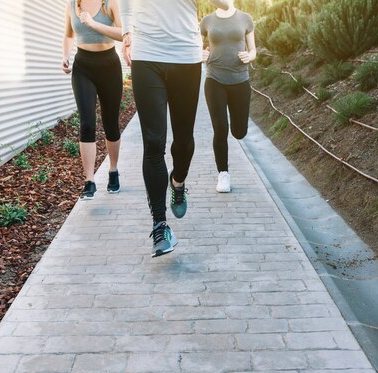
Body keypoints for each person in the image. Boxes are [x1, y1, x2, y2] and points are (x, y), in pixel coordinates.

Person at [119, 0, 230, 257]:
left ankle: (177, 181)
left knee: (183, 141)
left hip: (185, 57)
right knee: (154, 142)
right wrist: (127, 32)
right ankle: (160, 225)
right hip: (146, 54)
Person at [62, 0, 124, 200]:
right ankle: (89, 180)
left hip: (109, 66)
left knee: (110, 123)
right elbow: (69, 34)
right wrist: (65, 56)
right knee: (87, 123)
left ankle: (113, 170)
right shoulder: (72, 5)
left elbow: (123, 34)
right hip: (83, 67)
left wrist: (93, 23)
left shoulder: (110, 3)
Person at [201, 0, 256, 193]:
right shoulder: (207, 21)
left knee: (238, 132)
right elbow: (198, 47)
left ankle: (238, 128)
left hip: (240, 80)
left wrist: (250, 56)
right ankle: (223, 174)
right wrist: (202, 53)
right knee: (220, 128)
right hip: (214, 79)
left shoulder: (245, 18)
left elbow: (253, 50)